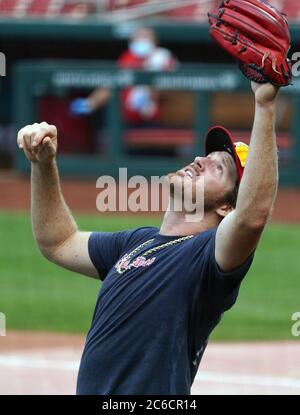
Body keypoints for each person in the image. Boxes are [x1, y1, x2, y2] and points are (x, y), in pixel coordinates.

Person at [17, 80, 279, 395]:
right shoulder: (137, 242)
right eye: (206, 155)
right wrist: (43, 164)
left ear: (226, 206)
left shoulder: (208, 259)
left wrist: (264, 105)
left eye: (217, 168)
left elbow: (253, 216)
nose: (199, 160)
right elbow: (57, 242)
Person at [70, 27, 177, 126]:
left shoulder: (162, 56)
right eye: (138, 37)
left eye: (145, 37)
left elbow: (173, 88)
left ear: (155, 40)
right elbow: (111, 83)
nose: (141, 40)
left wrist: (148, 91)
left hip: (155, 120)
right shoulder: (128, 57)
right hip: (127, 120)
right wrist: (91, 103)